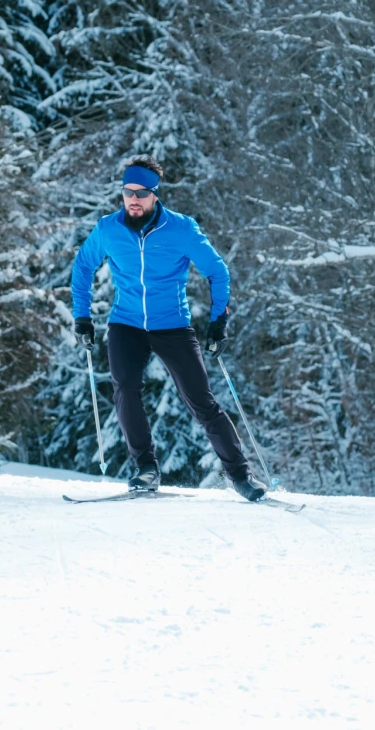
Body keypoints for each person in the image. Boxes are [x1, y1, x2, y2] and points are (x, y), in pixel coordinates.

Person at [71, 155, 267, 501]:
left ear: (155, 195)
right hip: (125, 323)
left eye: (141, 192)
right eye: (128, 192)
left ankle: (241, 476)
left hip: (172, 324)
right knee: (125, 389)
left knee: (201, 402)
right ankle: (146, 469)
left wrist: (219, 321)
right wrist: (82, 317)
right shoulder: (108, 229)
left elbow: (217, 271)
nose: (134, 199)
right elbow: (83, 266)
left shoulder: (181, 229)